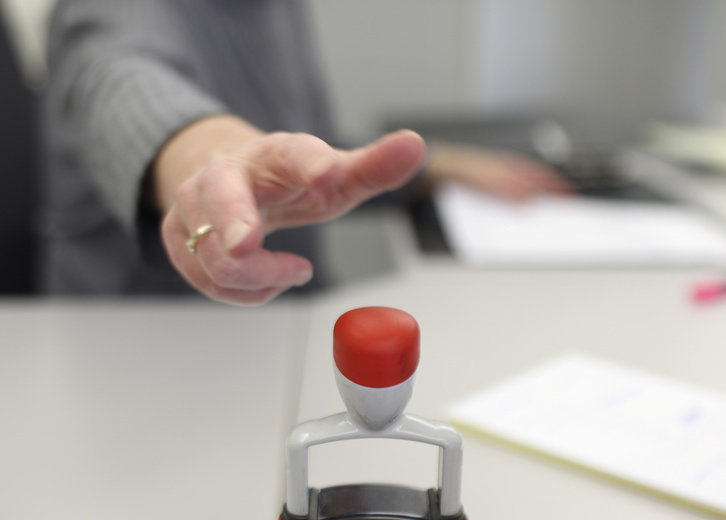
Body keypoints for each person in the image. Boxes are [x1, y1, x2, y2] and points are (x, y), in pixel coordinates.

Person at [41, 0, 573, 304]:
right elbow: (117, 79)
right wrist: (209, 153)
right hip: (149, 345)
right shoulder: (109, 10)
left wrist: (442, 166)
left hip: (282, 326)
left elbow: (307, 149)